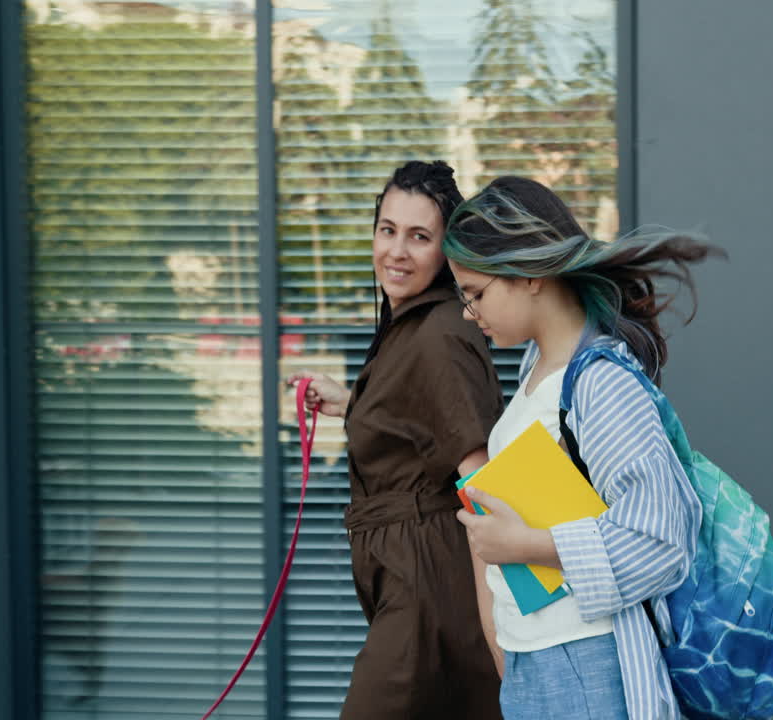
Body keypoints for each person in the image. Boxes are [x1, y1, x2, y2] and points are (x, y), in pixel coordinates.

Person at [442, 176, 723, 720]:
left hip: (582, 663)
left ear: (528, 275)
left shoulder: (600, 382)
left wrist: (525, 543)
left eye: (475, 293)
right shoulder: (537, 368)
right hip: (540, 659)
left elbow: (662, 538)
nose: (467, 311)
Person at [287, 160, 505, 720]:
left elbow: (480, 476)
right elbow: (421, 424)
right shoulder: (412, 321)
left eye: (419, 236)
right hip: (406, 574)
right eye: (388, 230)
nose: (397, 252)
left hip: (428, 585)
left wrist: (499, 623)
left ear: (447, 251)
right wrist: (352, 406)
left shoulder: (440, 334)